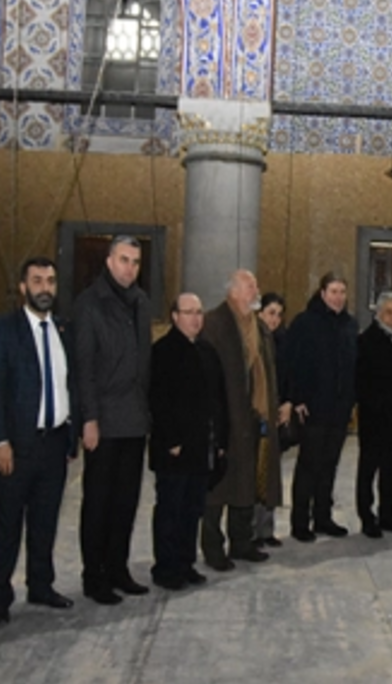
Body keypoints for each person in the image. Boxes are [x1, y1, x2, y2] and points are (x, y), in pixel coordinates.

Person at [0, 257, 77, 626]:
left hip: (53, 444)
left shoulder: (63, 328)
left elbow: (70, 384)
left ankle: (41, 585)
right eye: (37, 281)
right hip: (16, 445)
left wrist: (70, 436)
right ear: (23, 287)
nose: (45, 288)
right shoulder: (4, 328)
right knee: (5, 525)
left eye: (50, 281)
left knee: (45, 522)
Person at [75, 235, 153, 605]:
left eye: (135, 262)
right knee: (99, 503)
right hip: (104, 420)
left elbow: (145, 366)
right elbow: (84, 368)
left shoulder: (141, 303)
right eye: (123, 260)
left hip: (135, 420)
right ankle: (95, 576)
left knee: (126, 501)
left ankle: (118, 568)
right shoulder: (89, 305)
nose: (129, 268)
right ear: (109, 262)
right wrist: (89, 418)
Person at [200, 271, 283, 564]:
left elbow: (268, 371)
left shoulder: (259, 328)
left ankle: (241, 542)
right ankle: (212, 548)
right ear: (234, 291)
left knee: (246, 485)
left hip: (254, 418)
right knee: (219, 488)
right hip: (227, 418)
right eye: (251, 285)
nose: (256, 290)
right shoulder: (214, 323)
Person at [148, 293, 228, 590]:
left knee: (192, 508)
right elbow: (158, 400)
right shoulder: (163, 351)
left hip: (201, 447)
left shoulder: (207, 351)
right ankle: (166, 567)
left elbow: (218, 400)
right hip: (175, 448)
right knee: (170, 508)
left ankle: (185, 562)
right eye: (189, 312)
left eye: (199, 312)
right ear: (174, 316)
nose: (196, 318)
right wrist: (172, 440)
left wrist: (221, 440)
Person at [285, 272, 358, 541]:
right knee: (309, 466)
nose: (338, 297)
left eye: (342, 292)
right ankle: (300, 521)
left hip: (339, 409)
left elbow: (352, 367)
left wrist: (351, 401)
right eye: (333, 291)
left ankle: (323, 517)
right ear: (322, 293)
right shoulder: (305, 323)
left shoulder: (350, 325)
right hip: (313, 407)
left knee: (330, 465)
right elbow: (292, 362)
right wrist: (298, 397)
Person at [355, 292, 392, 538]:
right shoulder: (367, 340)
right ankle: (367, 517)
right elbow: (361, 382)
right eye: (389, 312)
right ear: (378, 314)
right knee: (369, 469)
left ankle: (387, 514)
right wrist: (376, 405)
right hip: (374, 418)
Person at [254, 292, 290, 548]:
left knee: (270, 476)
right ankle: (251, 531)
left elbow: (289, 377)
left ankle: (266, 529)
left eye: (279, 314)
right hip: (257, 417)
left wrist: (287, 402)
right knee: (254, 476)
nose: (275, 319)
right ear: (259, 313)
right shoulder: (252, 341)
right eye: (270, 313)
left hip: (276, 417)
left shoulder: (283, 342)